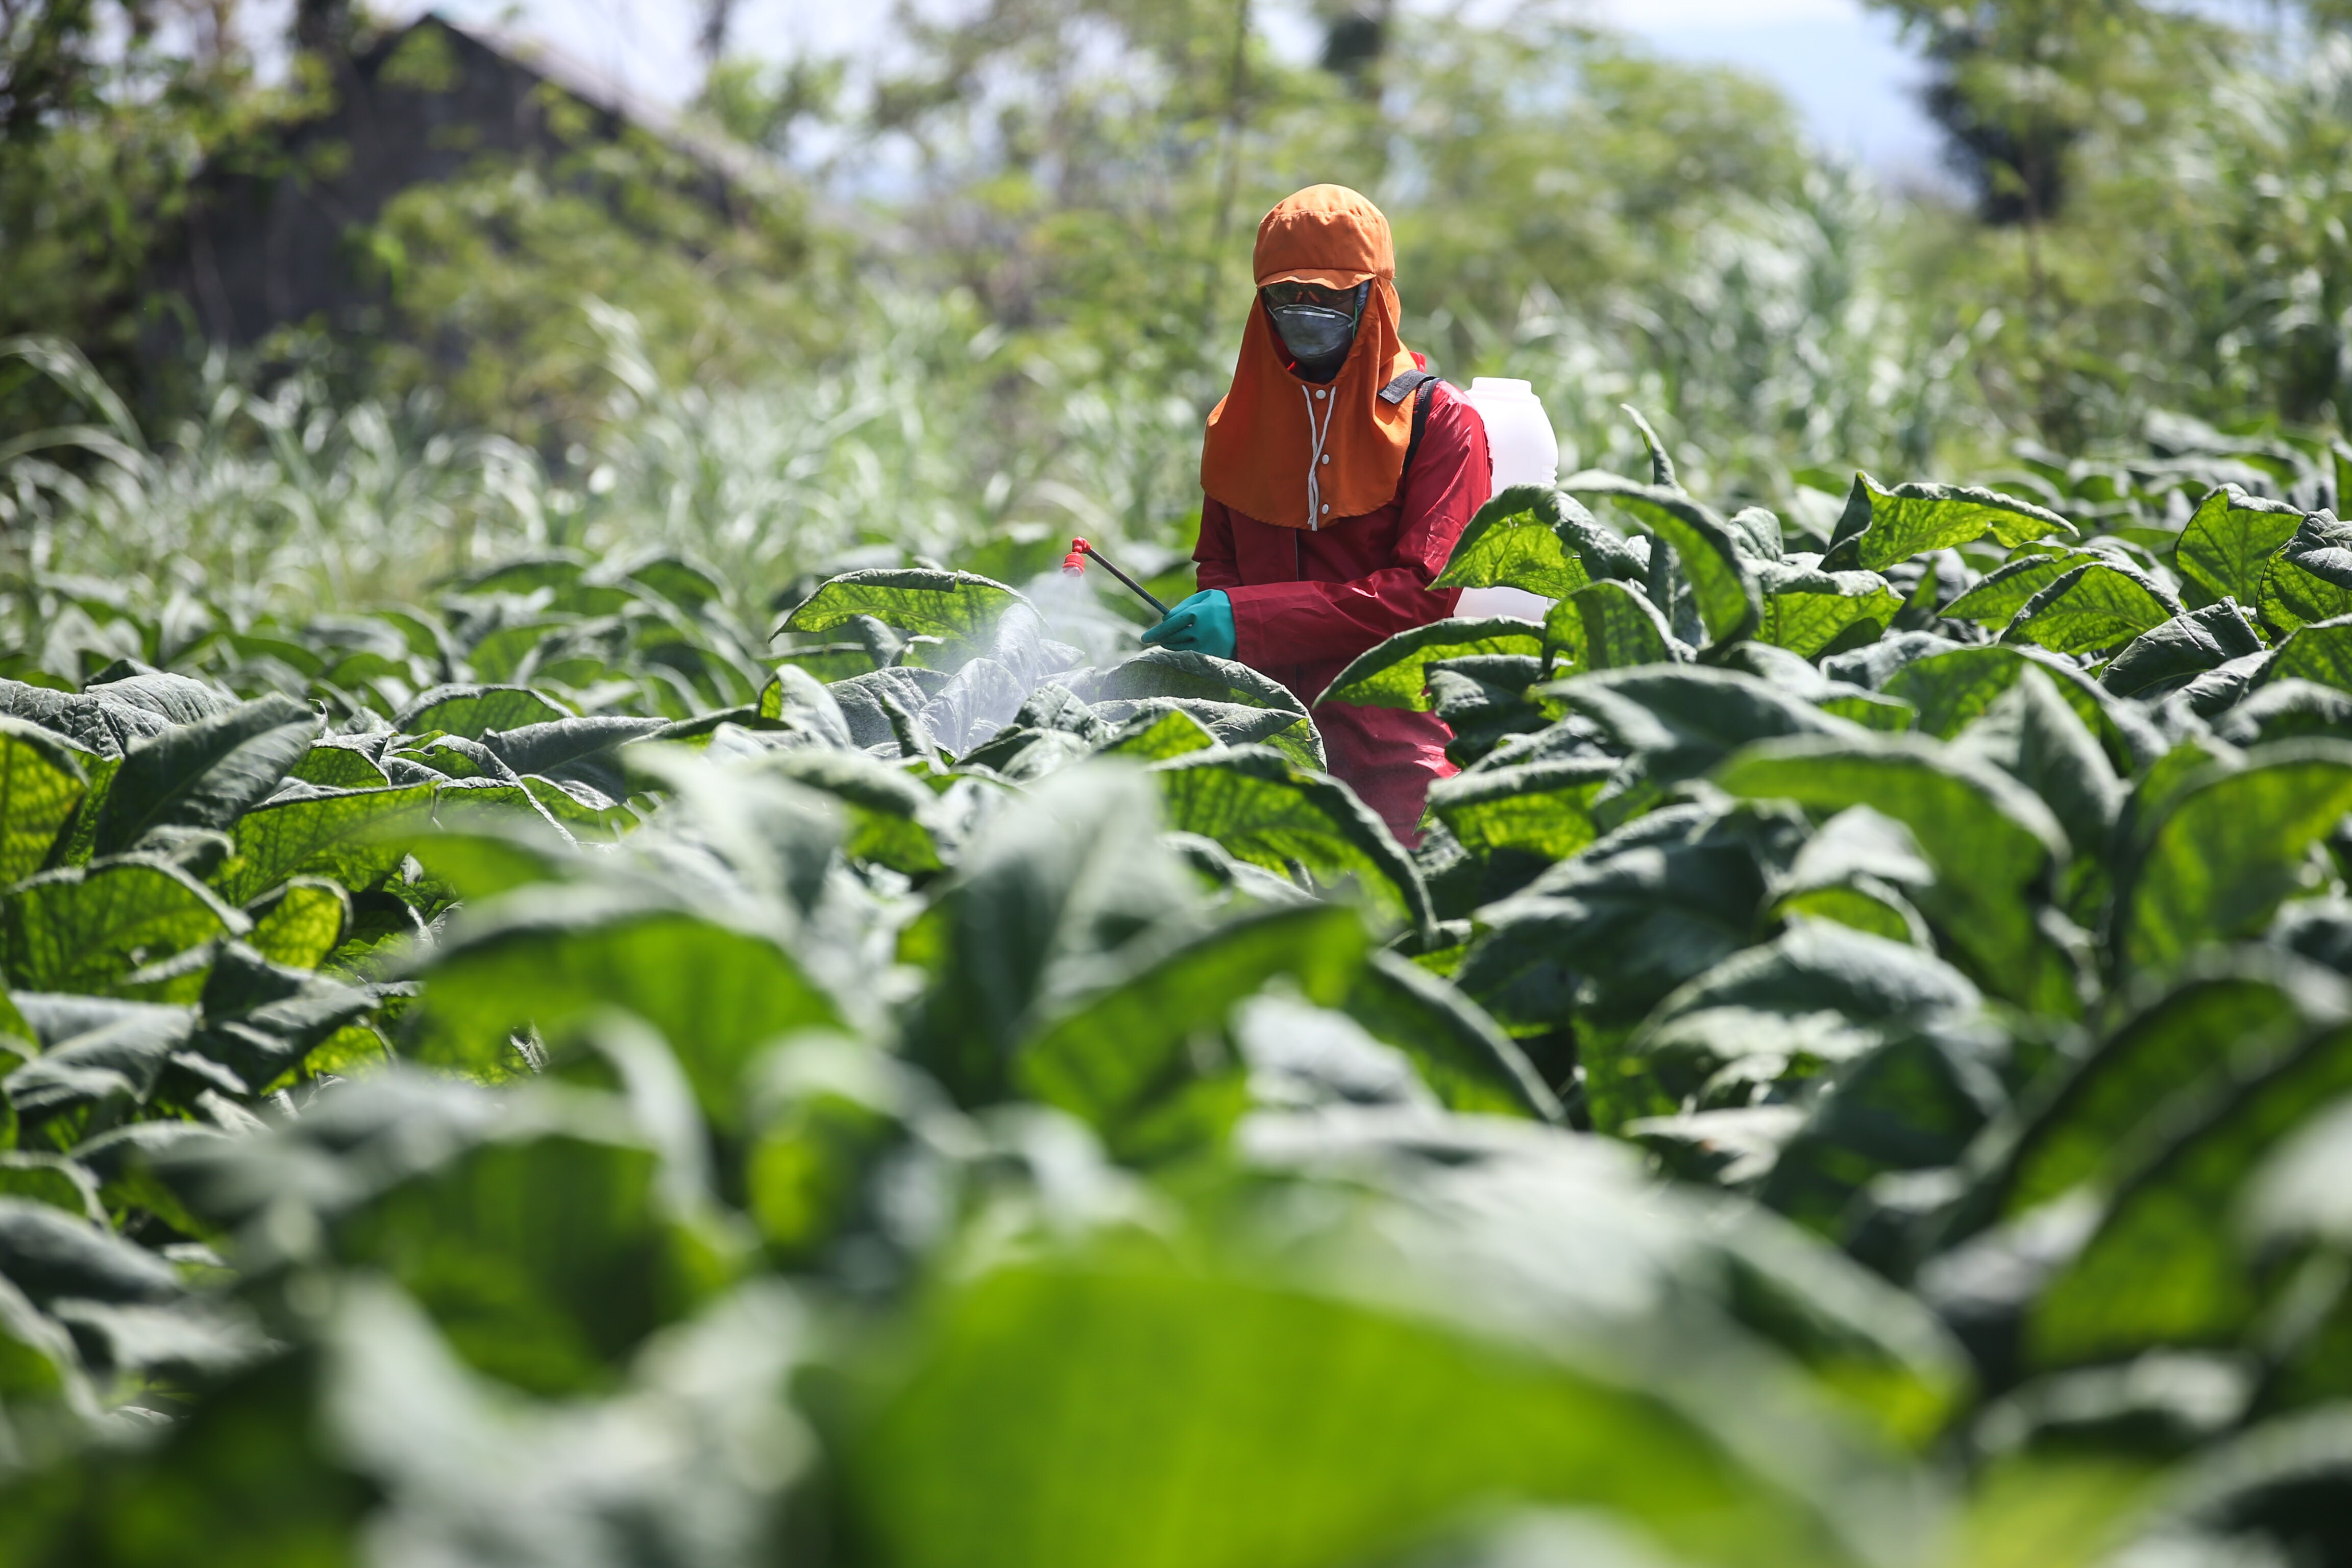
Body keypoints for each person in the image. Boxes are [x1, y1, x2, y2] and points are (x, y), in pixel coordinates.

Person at [1141, 184, 1492, 844]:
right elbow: (1220, 560)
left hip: (1397, 751)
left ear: (1375, 293)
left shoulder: (1442, 421)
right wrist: (1208, 624)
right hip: (1265, 743)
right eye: (1287, 294)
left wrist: (1246, 620)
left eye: (1329, 294)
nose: (1307, 310)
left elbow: (1425, 596)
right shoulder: (1241, 420)